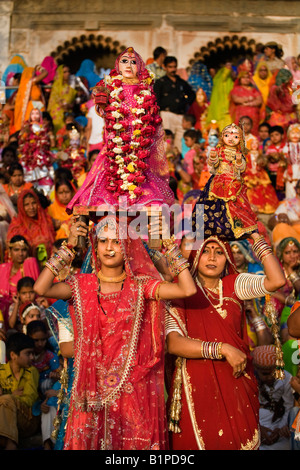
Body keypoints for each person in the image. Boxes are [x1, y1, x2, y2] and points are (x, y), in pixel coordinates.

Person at [33, 214, 197, 450]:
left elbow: (187, 288)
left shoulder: (141, 286)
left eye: (117, 242)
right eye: (103, 241)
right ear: (95, 246)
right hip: (90, 391)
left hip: (132, 389)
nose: (109, 248)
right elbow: (41, 287)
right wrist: (68, 246)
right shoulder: (80, 285)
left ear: (128, 247)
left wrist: (168, 244)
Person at [165, 233, 285, 450]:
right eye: (206, 251)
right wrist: (222, 348)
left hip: (237, 383)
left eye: (219, 252)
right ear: (195, 255)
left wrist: (255, 236)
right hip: (196, 389)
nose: (212, 257)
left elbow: (276, 281)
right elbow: (174, 343)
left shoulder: (233, 284)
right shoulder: (180, 290)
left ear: (227, 258)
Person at [67, 47, 174, 214]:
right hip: (118, 141)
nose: (129, 65)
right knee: (112, 174)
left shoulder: (145, 88)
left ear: (140, 66)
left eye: (133, 62)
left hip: (139, 143)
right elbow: (102, 109)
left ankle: (135, 199)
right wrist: (101, 97)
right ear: (118, 65)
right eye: (124, 61)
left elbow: (153, 118)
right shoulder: (110, 85)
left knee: (140, 175)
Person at [193, 122, 258, 240]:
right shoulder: (219, 150)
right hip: (218, 181)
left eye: (236, 137)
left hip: (233, 182)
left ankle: (237, 228)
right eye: (227, 135)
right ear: (222, 137)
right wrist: (213, 158)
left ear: (240, 139)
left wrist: (238, 162)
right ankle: (209, 228)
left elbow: (242, 168)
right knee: (212, 205)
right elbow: (213, 166)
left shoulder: (239, 153)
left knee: (236, 206)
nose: (231, 139)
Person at [0, 332, 39, 450]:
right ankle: (9, 443)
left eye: (33, 353)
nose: (32, 357)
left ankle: (11, 445)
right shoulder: (0, 372)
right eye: (28, 354)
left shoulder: (32, 371)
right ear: (13, 355)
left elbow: (29, 400)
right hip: (5, 419)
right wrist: (12, 396)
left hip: (27, 420)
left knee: (5, 400)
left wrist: (9, 398)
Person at [253, 345, 294, 450]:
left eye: (275, 372)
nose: (271, 376)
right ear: (256, 369)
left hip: (279, 424)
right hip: (256, 424)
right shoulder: (251, 379)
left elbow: (288, 406)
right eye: (265, 373)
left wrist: (279, 429)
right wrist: (258, 428)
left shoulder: (287, 378)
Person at [154, 56, 196, 151]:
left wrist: (185, 102)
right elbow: (156, 99)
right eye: (170, 67)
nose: (173, 69)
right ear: (164, 67)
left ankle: (177, 163)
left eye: (174, 67)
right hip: (166, 114)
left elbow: (192, 95)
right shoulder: (161, 82)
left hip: (181, 116)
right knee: (167, 141)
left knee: (179, 143)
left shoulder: (181, 82)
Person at [0, 236, 40, 327]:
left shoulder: (30, 263)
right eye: (16, 250)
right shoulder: (2, 268)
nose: (20, 253)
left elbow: (37, 290)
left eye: (23, 250)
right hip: (7, 310)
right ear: (9, 251)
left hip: (27, 308)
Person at [7, 189, 56, 259]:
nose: (31, 207)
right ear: (21, 207)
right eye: (27, 205)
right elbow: (11, 249)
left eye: (34, 203)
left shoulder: (46, 220)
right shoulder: (16, 225)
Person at [18, 108, 54, 195]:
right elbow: (22, 142)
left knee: (44, 175)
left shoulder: (43, 128)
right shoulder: (26, 128)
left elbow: (47, 144)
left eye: (37, 113)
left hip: (40, 157)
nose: (34, 116)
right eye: (32, 113)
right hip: (28, 157)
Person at [14, 65, 49, 132]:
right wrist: (38, 68)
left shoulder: (32, 83)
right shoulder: (32, 81)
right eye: (34, 73)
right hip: (33, 108)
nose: (35, 75)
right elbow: (45, 73)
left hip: (37, 107)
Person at [229, 70, 263, 136]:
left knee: (253, 132)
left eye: (247, 77)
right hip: (241, 114)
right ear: (240, 79)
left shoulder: (254, 90)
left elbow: (259, 100)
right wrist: (250, 98)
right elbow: (236, 99)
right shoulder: (236, 89)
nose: (246, 79)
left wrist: (249, 104)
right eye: (243, 77)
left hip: (254, 115)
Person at [47, 65, 77, 134]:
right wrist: (63, 105)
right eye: (65, 72)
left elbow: (73, 101)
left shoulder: (70, 87)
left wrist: (69, 105)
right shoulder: (56, 86)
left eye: (68, 71)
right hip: (57, 114)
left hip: (67, 114)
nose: (68, 74)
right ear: (60, 73)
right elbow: (55, 98)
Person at [206, 62, 234, 131]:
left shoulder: (230, 82)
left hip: (228, 112)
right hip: (218, 113)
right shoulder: (217, 80)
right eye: (226, 68)